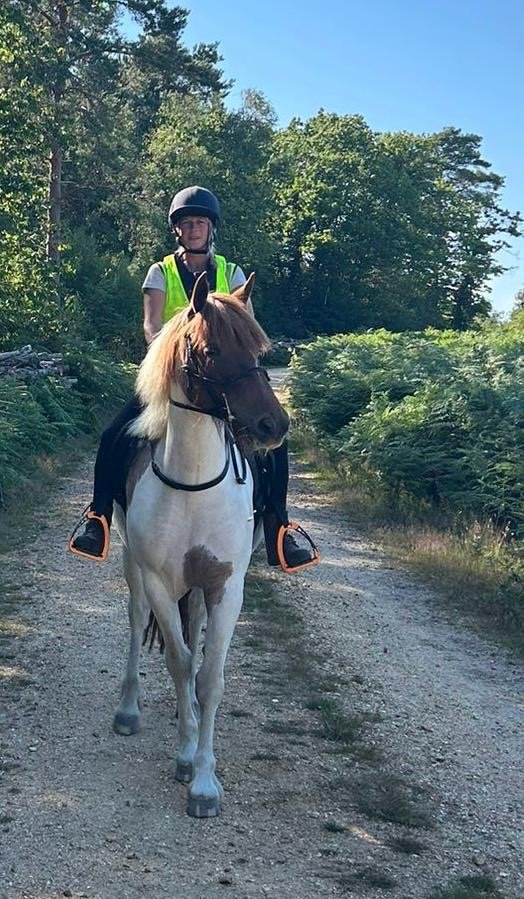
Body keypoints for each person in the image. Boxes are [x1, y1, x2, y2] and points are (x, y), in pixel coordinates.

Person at [70, 186, 316, 572]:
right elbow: (151, 326)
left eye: (200, 222)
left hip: (224, 377)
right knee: (113, 435)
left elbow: (247, 329)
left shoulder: (231, 273)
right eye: (187, 223)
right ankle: (98, 517)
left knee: (274, 441)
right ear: (177, 230)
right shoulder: (161, 272)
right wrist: (172, 355)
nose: (194, 228)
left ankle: (279, 527)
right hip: (171, 373)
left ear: (210, 227)